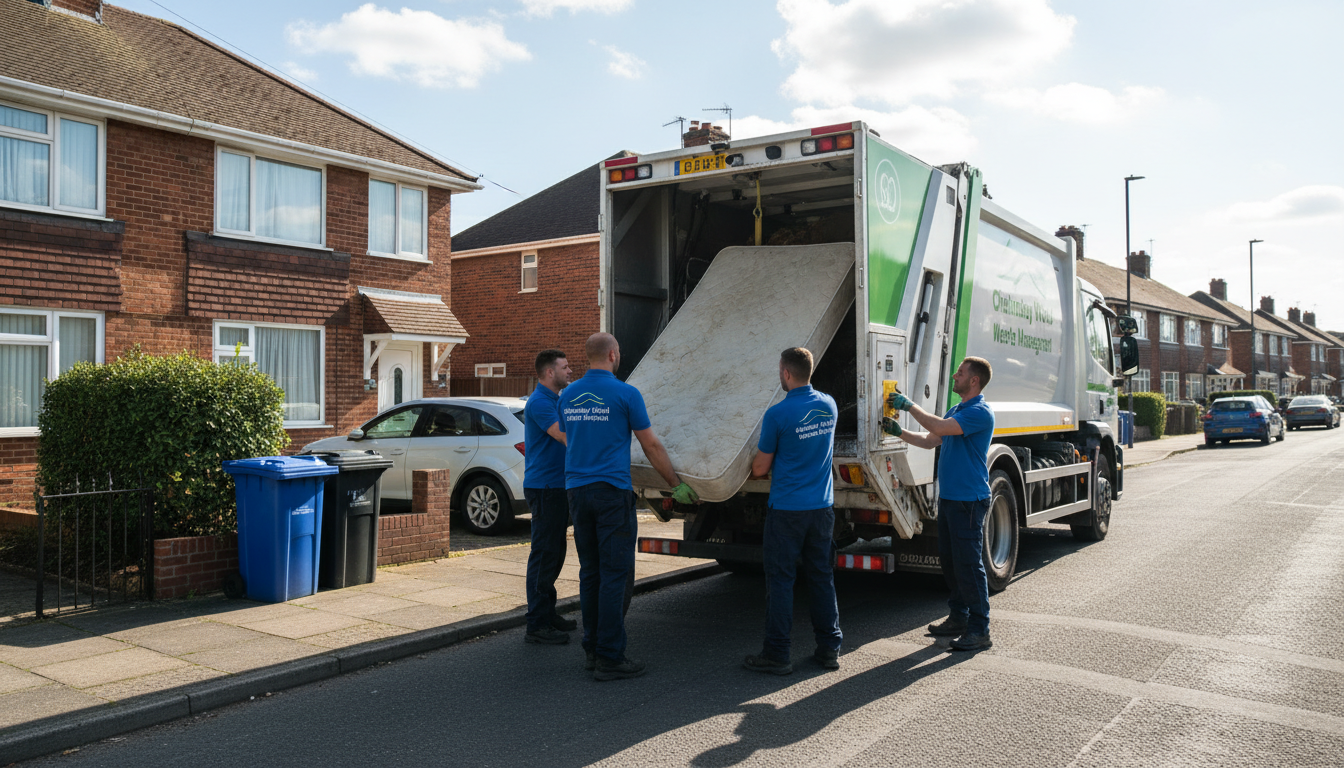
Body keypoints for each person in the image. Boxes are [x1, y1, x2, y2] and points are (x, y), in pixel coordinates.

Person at [563, 332, 698, 681]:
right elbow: (650, 445)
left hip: (577, 493)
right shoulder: (626, 394)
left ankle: (592, 649)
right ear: (612, 355)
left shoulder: (568, 395)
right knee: (615, 575)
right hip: (611, 494)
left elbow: (570, 437)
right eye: (619, 352)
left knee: (590, 572)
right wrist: (675, 485)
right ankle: (610, 656)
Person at [743, 347, 843, 675]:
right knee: (821, 579)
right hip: (822, 509)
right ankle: (829, 648)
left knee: (782, 582)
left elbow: (759, 468)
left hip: (787, 511)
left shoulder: (778, 415)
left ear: (786, 374)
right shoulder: (829, 405)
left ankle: (777, 653)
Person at [884, 356, 996, 651]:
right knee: (950, 562)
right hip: (951, 499)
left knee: (969, 566)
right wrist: (900, 433)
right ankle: (958, 617)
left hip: (968, 502)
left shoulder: (980, 413)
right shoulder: (958, 409)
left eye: (960, 373)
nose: (955, 376)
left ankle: (979, 629)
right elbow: (930, 439)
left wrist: (909, 406)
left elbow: (940, 427)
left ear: (974, 381)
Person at [523, 349, 577, 646]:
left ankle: (547, 612)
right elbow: (564, 436)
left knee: (555, 552)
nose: (570, 371)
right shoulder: (541, 403)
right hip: (545, 488)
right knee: (544, 554)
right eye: (565, 367)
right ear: (548, 373)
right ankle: (537, 624)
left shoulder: (556, 400)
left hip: (557, 486)